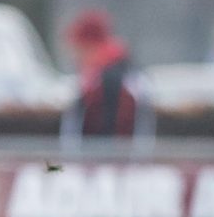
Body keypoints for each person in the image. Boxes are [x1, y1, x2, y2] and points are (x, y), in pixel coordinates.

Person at [59, 8, 154, 139]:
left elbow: (111, 134)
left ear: (89, 46)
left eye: (77, 49)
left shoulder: (111, 80)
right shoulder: (105, 76)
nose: (74, 57)